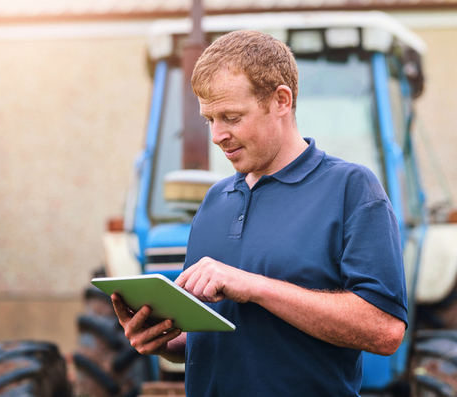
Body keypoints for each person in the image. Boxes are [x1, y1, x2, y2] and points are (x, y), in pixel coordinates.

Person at [112, 30, 407, 396]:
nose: (218, 135)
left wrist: (253, 286)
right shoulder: (214, 201)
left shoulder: (351, 188)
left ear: (281, 100)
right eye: (209, 120)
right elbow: (222, 339)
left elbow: (385, 330)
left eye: (231, 117)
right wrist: (163, 341)